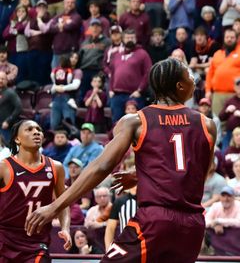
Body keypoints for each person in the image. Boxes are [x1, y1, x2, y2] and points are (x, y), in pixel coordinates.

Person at [26, 58, 216, 263]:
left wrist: (54, 207)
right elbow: (197, 174)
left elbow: (102, 166)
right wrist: (141, 174)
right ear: (179, 86)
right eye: (190, 77)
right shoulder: (207, 125)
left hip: (155, 221)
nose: (195, 82)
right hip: (192, 226)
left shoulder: (137, 120)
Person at [0, 120, 71, 261]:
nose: (36, 132)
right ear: (17, 139)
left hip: (36, 242)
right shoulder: (4, 167)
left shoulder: (56, 167)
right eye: (29, 129)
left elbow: (63, 202)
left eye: (39, 129)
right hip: (4, 239)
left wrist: (65, 228)